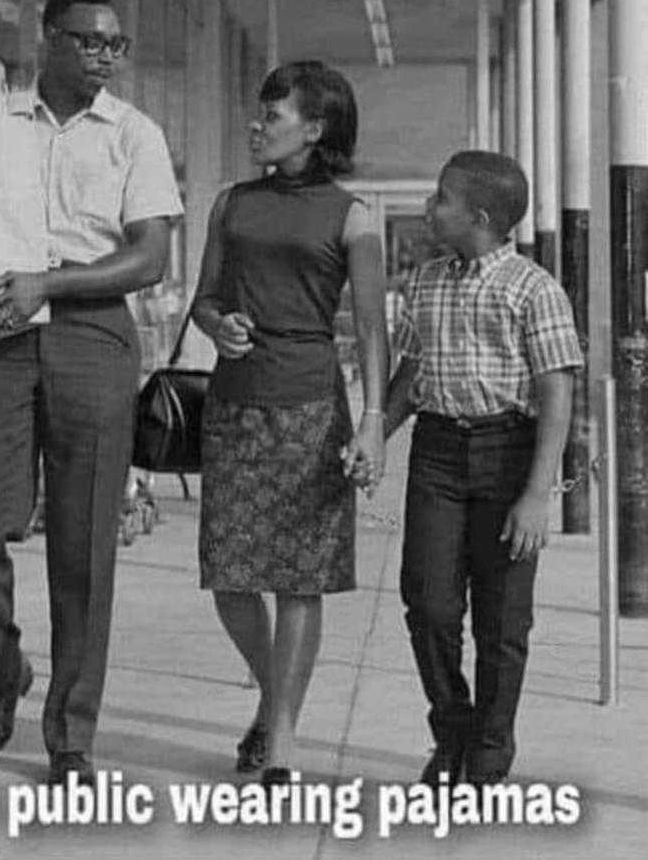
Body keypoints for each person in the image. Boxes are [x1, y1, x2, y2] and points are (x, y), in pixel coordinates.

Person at [0, 0, 182, 786]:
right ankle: (1, 672)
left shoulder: (133, 134)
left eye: (114, 45)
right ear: (47, 39)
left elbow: (150, 256)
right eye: (89, 41)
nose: (104, 57)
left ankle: (71, 734)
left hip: (91, 332)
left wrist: (47, 283)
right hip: (2, 339)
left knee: (85, 545)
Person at [191, 60, 388, 787]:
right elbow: (202, 297)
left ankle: (280, 744)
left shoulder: (352, 213)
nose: (256, 124)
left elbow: (369, 325)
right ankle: (275, 696)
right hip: (235, 404)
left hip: (311, 407)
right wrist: (217, 323)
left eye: (271, 116)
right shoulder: (229, 203)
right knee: (229, 576)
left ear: (315, 128)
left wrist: (370, 422)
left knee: (298, 579)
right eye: (258, 111)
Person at [385, 150, 582, 788]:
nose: (428, 208)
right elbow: (409, 377)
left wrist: (536, 495)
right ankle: (453, 732)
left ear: (480, 215)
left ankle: (490, 755)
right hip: (437, 454)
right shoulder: (425, 280)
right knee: (430, 604)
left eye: (440, 198)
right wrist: (372, 436)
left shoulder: (535, 289)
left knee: (502, 622)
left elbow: (557, 393)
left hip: (508, 455)